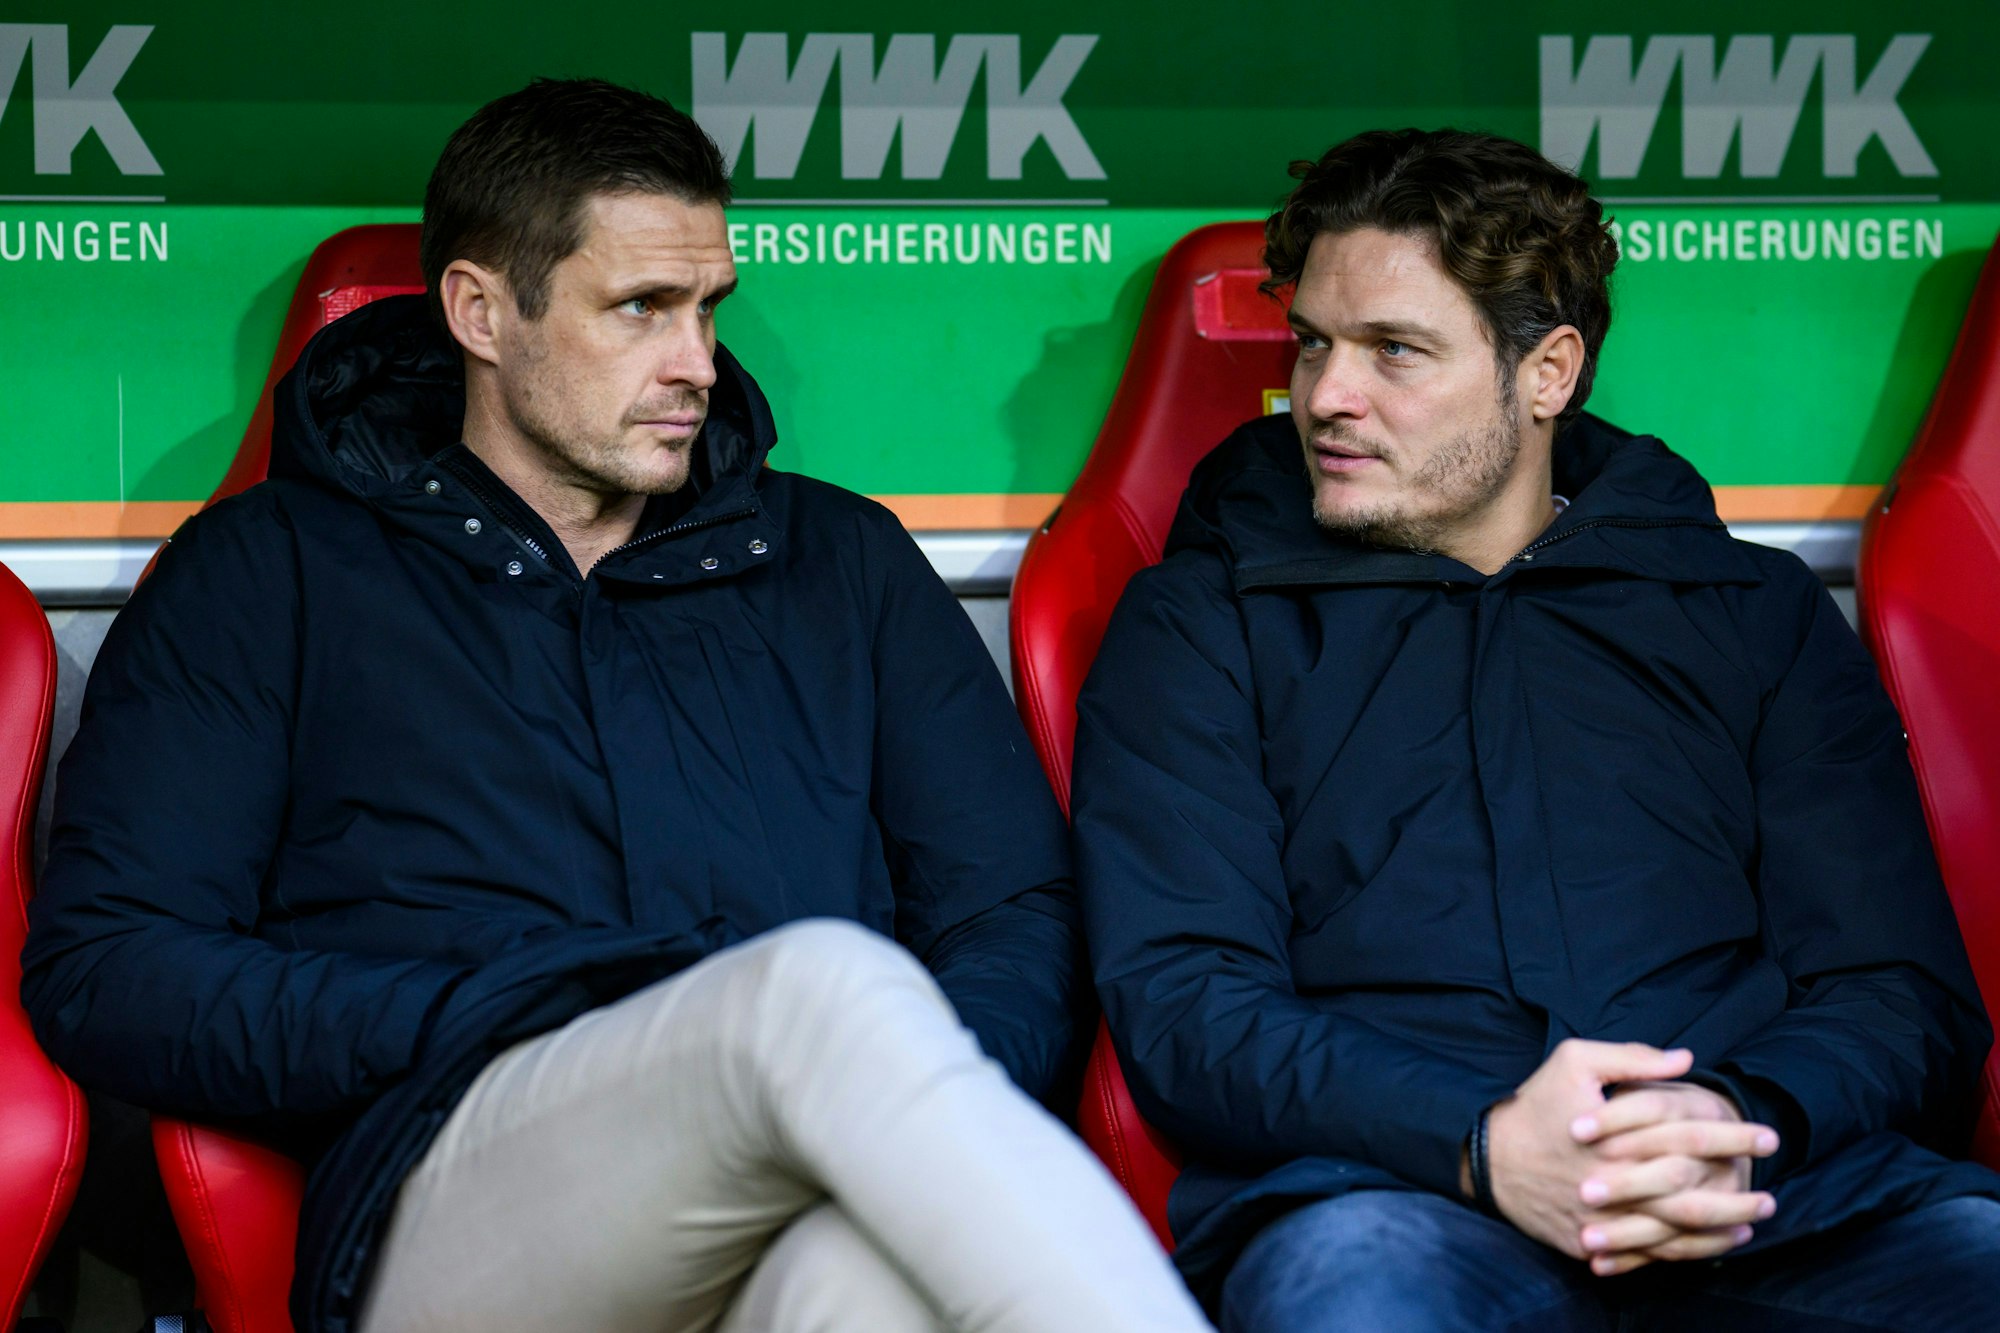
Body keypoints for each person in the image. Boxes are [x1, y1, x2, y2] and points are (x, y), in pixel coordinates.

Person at [23, 78, 1208, 1333]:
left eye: (707, 308)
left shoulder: (840, 562)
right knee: (814, 991)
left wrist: (876, 1096)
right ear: (481, 311)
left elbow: (1012, 908)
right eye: (641, 308)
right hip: (462, 1192)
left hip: (811, 1179)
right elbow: (114, 966)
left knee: (865, 1288)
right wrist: (480, 1013)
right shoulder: (270, 572)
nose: (695, 363)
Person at [1071, 127, 2000, 1331]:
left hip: (1774, 1195)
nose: (1322, 397)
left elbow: (1897, 990)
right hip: (1400, 1197)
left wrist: (1728, 1118)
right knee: (1351, 1294)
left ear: (1546, 371)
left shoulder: (1746, 610)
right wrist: (1477, 1142)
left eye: (1392, 350)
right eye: (1311, 343)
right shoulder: (1200, 619)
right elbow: (1188, 1002)